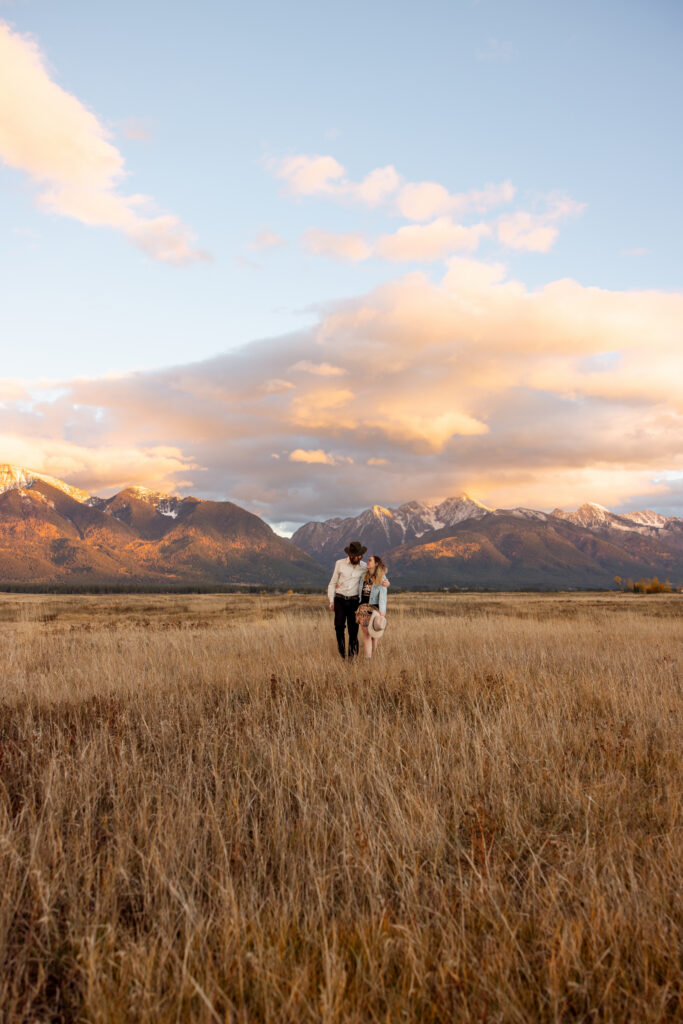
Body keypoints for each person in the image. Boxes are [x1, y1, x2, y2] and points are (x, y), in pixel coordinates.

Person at [327, 541, 389, 659]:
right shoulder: (339, 564)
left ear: (361, 555)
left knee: (353, 630)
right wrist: (331, 601)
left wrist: (387, 583)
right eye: (352, 555)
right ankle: (342, 655)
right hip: (339, 599)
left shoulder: (364, 566)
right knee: (339, 627)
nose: (354, 557)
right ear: (349, 554)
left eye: (357, 556)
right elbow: (332, 583)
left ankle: (352, 657)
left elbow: (377, 574)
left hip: (354, 602)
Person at [355, 555, 388, 659]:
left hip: (374, 610)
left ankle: (373, 656)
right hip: (363, 609)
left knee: (374, 635)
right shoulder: (363, 576)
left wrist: (382, 613)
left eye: (370, 560)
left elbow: (383, 597)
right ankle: (368, 659)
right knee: (366, 634)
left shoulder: (382, 578)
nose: (367, 562)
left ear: (376, 564)